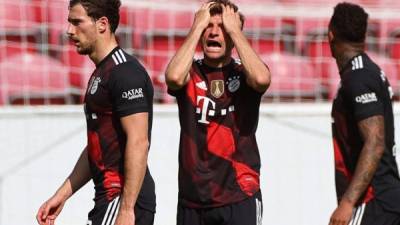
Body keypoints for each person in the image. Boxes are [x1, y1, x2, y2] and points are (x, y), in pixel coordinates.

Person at [36, 1, 156, 225]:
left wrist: (127, 210)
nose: (69, 30)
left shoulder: (125, 73)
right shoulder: (102, 72)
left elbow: (139, 141)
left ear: (102, 24)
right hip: (109, 199)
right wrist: (62, 195)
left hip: (121, 198)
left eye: (77, 22)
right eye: (69, 22)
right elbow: (98, 147)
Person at [165, 1, 271, 225]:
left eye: (222, 27)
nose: (214, 32)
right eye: (208, 26)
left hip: (240, 194)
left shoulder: (245, 72)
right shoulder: (190, 72)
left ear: (234, 33)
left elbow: (262, 80)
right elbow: (173, 78)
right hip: (193, 199)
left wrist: (235, 30)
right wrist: (196, 27)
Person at [328, 2, 400, 225]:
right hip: (385, 198)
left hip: (373, 201)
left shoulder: (359, 77)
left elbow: (375, 141)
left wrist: (348, 203)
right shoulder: (365, 71)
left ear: (331, 35)